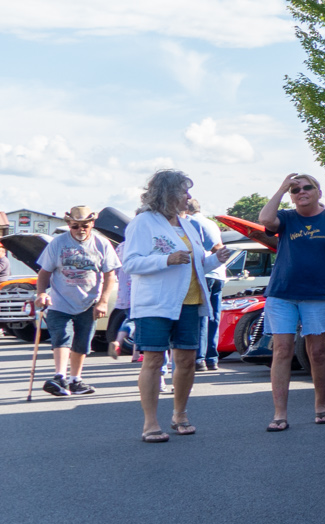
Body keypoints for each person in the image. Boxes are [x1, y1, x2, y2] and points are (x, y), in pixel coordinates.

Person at [120, 170, 229, 442]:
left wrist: (217, 260)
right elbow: (130, 263)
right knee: (154, 360)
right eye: (183, 191)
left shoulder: (188, 224)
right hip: (156, 303)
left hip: (190, 302)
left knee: (187, 361)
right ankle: (150, 423)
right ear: (167, 193)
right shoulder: (142, 223)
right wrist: (165, 260)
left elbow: (197, 264)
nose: (188, 196)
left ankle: (180, 414)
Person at [256, 172, 325, 431]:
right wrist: (280, 188)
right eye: (294, 190)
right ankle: (279, 414)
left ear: (319, 191)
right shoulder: (286, 217)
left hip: (317, 296)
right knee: (282, 351)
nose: (301, 193)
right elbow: (265, 219)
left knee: (318, 352)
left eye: (307, 188)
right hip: (282, 294)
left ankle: (321, 406)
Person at [34, 206, 118, 397]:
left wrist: (103, 301)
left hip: (88, 302)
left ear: (92, 224)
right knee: (62, 336)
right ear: (68, 225)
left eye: (85, 226)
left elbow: (110, 274)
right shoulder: (58, 243)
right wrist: (41, 293)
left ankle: (75, 380)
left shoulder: (102, 244)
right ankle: (60, 376)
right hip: (59, 301)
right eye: (75, 226)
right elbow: (44, 272)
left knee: (83, 341)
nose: (80, 230)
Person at [190, 204, 228, 371]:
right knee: (214, 316)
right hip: (219, 273)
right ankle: (212, 357)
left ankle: (199, 357)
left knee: (201, 316)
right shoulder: (211, 223)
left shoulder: (189, 221)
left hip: (204, 271)